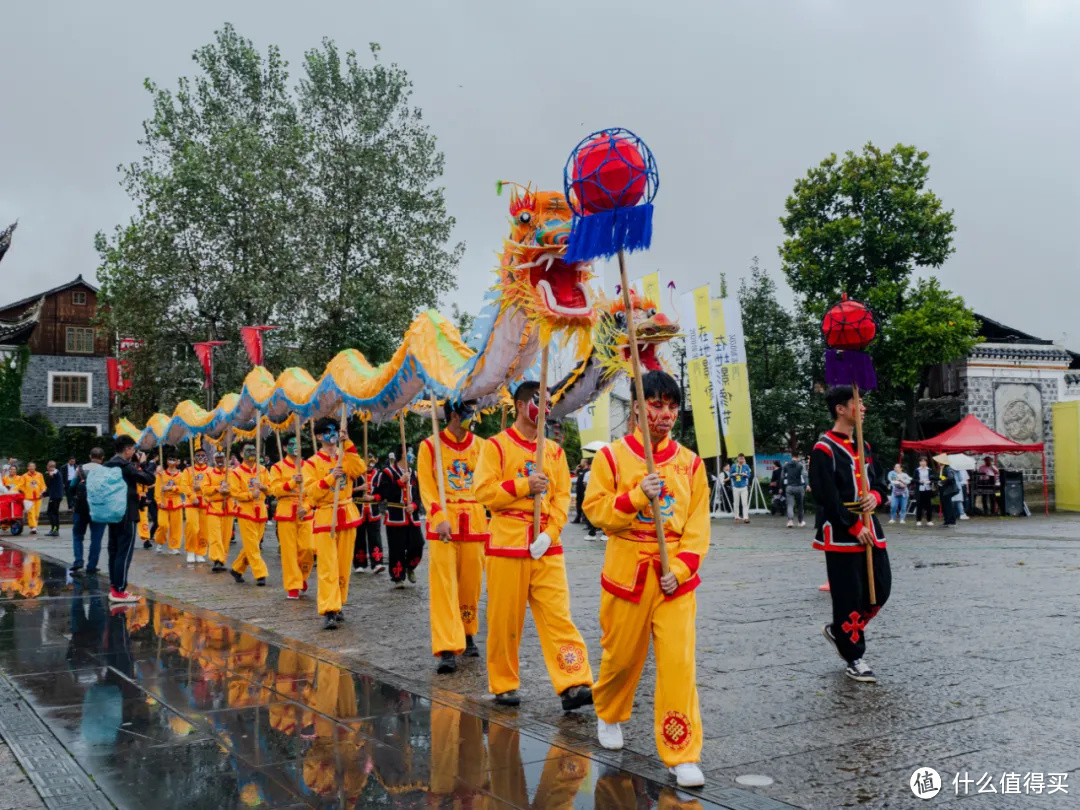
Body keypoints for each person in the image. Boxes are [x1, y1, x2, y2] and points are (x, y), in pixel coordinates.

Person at [584, 370, 709, 789]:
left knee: (678, 665)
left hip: (674, 579)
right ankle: (610, 712)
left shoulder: (691, 464)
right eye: (656, 405)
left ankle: (682, 751)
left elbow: (697, 527)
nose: (665, 414)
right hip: (626, 573)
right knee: (620, 660)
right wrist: (638, 496)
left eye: (672, 406)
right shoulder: (612, 457)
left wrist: (681, 569)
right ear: (637, 406)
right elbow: (595, 511)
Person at [473, 381, 593, 711]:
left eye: (550, 403)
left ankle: (574, 680)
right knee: (504, 620)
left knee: (558, 615)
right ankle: (504, 683)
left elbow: (562, 497)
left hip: (545, 545)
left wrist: (551, 532)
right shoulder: (495, 447)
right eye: (541, 402)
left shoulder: (553, 451)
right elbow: (483, 492)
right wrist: (525, 485)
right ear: (522, 405)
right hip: (507, 543)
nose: (547, 409)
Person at [811, 386, 891, 683]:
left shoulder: (864, 446)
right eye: (858, 402)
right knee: (848, 597)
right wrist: (853, 526)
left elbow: (879, 481)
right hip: (842, 532)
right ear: (841, 409)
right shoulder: (824, 448)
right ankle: (854, 656)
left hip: (871, 526)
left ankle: (839, 631)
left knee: (880, 588)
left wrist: (877, 498)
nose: (863, 408)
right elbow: (824, 495)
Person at [418, 401, 489, 674]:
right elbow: (425, 486)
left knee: (471, 584)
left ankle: (468, 632)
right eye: (469, 413)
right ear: (455, 415)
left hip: (474, 523)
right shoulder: (430, 446)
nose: (474, 417)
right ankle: (447, 646)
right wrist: (438, 517)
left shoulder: (482, 446)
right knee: (444, 586)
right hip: (443, 525)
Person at [303, 417, 365, 630]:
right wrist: (330, 478)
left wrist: (347, 443)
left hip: (346, 514)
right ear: (319, 436)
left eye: (335, 430)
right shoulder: (311, 463)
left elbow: (359, 469)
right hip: (325, 517)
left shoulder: (344, 457)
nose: (332, 434)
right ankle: (329, 609)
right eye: (328, 431)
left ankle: (338, 604)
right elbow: (311, 492)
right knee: (328, 566)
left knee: (343, 566)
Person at [104, 436, 155, 603]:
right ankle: (120, 590)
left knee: (114, 550)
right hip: (127, 513)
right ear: (127, 449)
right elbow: (148, 478)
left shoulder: (108, 464)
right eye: (132, 448)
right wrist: (144, 463)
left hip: (112, 513)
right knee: (124, 553)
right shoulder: (124, 465)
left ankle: (114, 587)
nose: (134, 451)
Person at [269, 437, 314, 600]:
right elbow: (274, 490)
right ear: (284, 447)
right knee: (289, 551)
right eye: (291, 444)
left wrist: (307, 507)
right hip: (286, 510)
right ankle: (293, 585)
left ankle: (302, 576)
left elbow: (313, 490)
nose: (295, 447)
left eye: (298, 444)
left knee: (308, 548)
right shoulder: (277, 467)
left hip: (305, 510)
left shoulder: (308, 466)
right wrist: (291, 482)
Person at [374, 449, 424, 588]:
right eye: (410, 452)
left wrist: (414, 505)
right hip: (396, 516)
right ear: (402, 454)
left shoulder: (414, 474)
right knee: (397, 548)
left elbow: (419, 495)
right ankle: (397, 577)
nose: (412, 455)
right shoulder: (388, 472)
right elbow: (384, 493)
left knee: (418, 544)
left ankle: (409, 567)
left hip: (412, 516)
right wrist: (400, 482)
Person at [228, 445, 271, 586]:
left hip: (261, 511)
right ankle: (260, 573)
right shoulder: (236, 473)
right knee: (253, 545)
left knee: (253, 544)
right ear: (241, 454)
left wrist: (264, 488)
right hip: (246, 512)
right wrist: (250, 495)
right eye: (248, 451)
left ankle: (237, 568)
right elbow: (234, 492)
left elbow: (271, 488)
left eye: (254, 450)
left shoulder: (263, 470)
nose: (251, 453)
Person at [70, 448, 107, 574]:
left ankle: (78, 561)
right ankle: (91, 566)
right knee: (96, 539)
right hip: (99, 510)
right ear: (102, 458)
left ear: (90, 456)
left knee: (77, 536)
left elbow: (72, 486)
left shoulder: (80, 469)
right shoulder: (106, 471)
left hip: (81, 509)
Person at [352, 456, 386, 575]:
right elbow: (346, 490)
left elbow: (384, 492)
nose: (369, 463)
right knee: (359, 538)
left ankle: (377, 563)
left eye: (372, 460)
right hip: (358, 511)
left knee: (375, 538)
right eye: (367, 460)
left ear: (376, 460)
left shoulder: (380, 475)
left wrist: (373, 497)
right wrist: (359, 488)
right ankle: (359, 563)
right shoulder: (355, 474)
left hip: (374, 511)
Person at [180, 446, 211, 563]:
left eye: (203, 455)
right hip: (191, 503)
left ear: (207, 458)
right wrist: (192, 496)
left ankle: (201, 552)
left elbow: (212, 486)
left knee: (204, 530)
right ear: (194, 458)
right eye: (198, 456)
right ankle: (190, 551)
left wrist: (201, 488)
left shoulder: (210, 471)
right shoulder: (187, 471)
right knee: (192, 527)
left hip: (205, 503)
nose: (200, 458)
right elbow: (184, 486)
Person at [204, 450, 233, 572]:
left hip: (228, 508)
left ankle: (222, 560)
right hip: (214, 508)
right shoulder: (209, 474)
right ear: (214, 460)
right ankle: (216, 559)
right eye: (218, 458)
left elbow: (238, 487)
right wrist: (217, 489)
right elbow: (205, 489)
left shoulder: (232, 473)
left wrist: (229, 490)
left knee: (225, 536)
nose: (220, 460)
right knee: (215, 535)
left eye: (222, 458)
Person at [154, 452, 185, 554]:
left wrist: (172, 488)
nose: (171, 461)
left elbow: (183, 488)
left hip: (176, 503)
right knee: (163, 525)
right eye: (169, 459)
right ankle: (159, 542)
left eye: (174, 459)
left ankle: (174, 546)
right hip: (164, 503)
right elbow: (157, 490)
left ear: (177, 462)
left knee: (176, 526)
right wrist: (159, 501)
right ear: (166, 461)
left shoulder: (181, 475)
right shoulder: (161, 475)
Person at [782, 451, 808, 528]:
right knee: (800, 505)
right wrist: (807, 485)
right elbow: (805, 475)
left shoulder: (786, 465)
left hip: (789, 487)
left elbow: (782, 477)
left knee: (790, 505)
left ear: (791, 457)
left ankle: (790, 521)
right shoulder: (800, 465)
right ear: (798, 457)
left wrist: (782, 487)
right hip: (799, 487)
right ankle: (800, 522)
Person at [19, 461, 45, 534]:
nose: (32, 468)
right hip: (28, 498)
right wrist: (24, 492)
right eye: (30, 466)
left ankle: (34, 527)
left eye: (33, 466)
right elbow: (21, 486)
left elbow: (43, 485)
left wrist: (42, 492)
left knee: (36, 513)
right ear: (28, 467)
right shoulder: (24, 476)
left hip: (38, 497)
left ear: (35, 467)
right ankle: (33, 527)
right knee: (31, 513)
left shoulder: (39, 475)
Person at [935, 454, 959, 527]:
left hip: (948, 490)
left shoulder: (948, 468)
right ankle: (947, 521)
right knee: (945, 506)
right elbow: (941, 477)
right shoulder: (941, 468)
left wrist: (942, 482)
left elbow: (950, 477)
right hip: (943, 490)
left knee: (948, 506)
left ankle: (951, 521)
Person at [44, 460, 65, 537]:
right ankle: (54, 529)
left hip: (55, 497)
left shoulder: (55, 472)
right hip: (55, 496)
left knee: (52, 513)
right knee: (52, 513)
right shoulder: (56, 472)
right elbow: (51, 486)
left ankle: (55, 530)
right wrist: (44, 494)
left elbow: (52, 474)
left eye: (48, 466)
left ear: (50, 467)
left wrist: (48, 473)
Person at [730, 453, 751, 523]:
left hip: (744, 487)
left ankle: (745, 517)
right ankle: (737, 517)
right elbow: (730, 475)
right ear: (738, 458)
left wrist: (746, 475)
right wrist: (733, 474)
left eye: (743, 459)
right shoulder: (733, 466)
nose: (741, 460)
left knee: (745, 503)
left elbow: (749, 475)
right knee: (736, 503)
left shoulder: (746, 466)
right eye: (740, 458)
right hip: (735, 487)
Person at [914, 456, 935, 526]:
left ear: (926, 462)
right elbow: (914, 480)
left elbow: (933, 479)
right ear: (919, 462)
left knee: (928, 505)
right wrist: (920, 481)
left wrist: (930, 481)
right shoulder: (917, 470)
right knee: (919, 505)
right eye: (921, 461)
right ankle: (918, 520)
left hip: (928, 489)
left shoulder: (930, 470)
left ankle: (929, 520)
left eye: (924, 461)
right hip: (920, 489)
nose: (923, 463)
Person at [573, 459, 589, 523]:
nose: (580, 463)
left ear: (585, 463)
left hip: (583, 490)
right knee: (578, 503)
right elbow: (576, 475)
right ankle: (578, 517)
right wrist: (576, 469)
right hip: (579, 489)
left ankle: (584, 518)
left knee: (584, 503)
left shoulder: (588, 471)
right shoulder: (581, 470)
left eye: (581, 462)